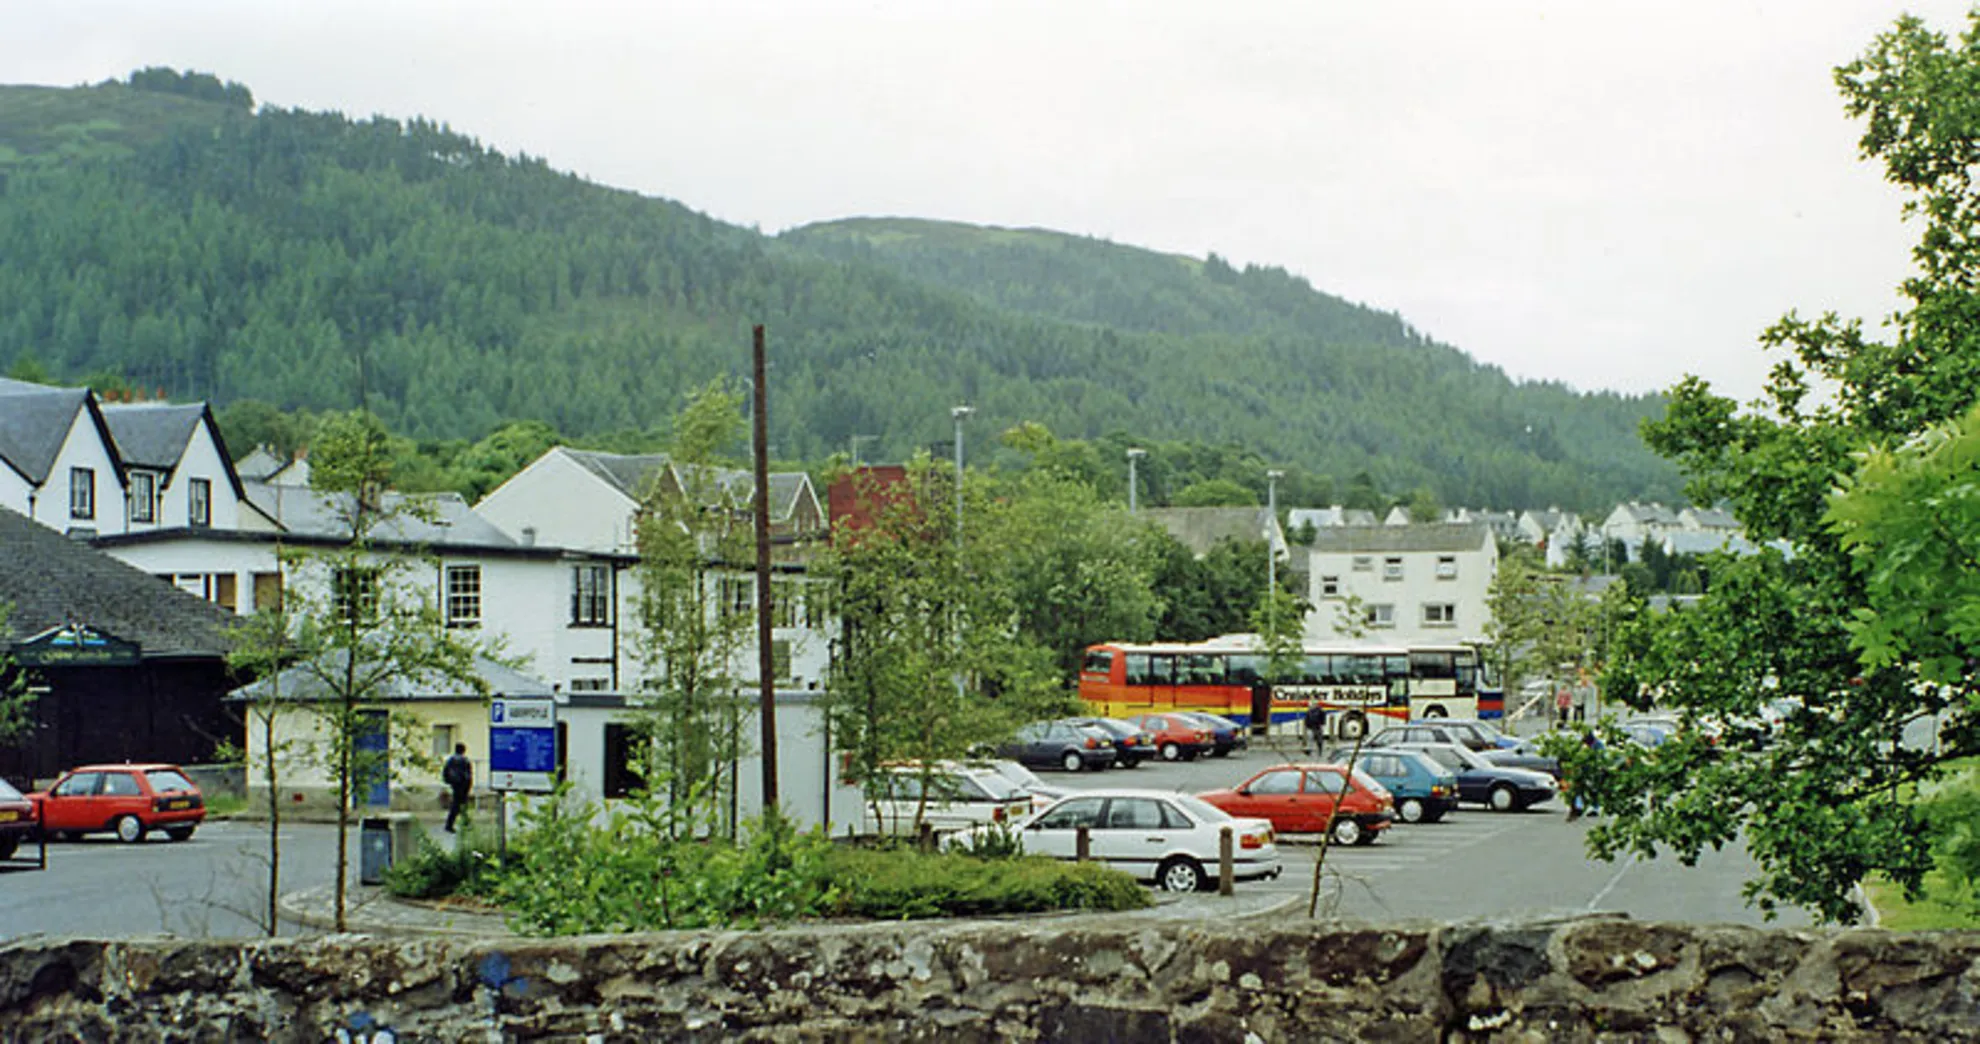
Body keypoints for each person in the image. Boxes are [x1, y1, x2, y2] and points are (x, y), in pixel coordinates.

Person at [442, 743, 472, 833]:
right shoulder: (465, 760)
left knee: (457, 804)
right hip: (463, 785)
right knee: (460, 805)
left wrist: (449, 782)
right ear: (463, 750)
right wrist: (468, 786)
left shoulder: (450, 760)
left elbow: (445, 772)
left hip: (455, 785)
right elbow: (468, 775)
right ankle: (461, 824)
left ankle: (462, 823)